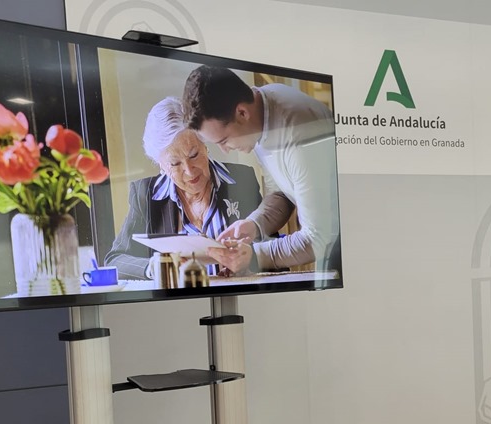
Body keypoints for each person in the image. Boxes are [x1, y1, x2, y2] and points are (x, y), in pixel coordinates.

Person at [105, 97, 290, 279]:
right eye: (175, 163)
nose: (189, 171)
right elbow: (115, 260)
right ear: (161, 165)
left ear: (205, 144)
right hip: (180, 306)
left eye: (194, 155)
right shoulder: (146, 195)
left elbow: (273, 250)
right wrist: (153, 267)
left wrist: (248, 261)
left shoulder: (241, 180)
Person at [181, 65, 340, 274]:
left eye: (225, 140)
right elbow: (282, 192)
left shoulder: (298, 132)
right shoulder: (259, 116)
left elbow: (318, 238)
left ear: (242, 112)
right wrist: (254, 225)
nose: (225, 151)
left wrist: (253, 257)